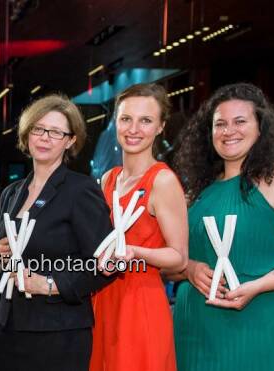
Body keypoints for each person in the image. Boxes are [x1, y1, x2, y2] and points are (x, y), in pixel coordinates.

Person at [170, 83, 274, 371]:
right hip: (197, 331)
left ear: (261, 128)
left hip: (269, 325)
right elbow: (168, 262)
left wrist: (260, 285)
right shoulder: (195, 191)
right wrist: (190, 269)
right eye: (220, 124)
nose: (229, 131)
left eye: (240, 121)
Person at [0, 94, 113, 371]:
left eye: (56, 132)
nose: (45, 138)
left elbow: (105, 264)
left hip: (60, 332)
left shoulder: (81, 190)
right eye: (39, 129)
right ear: (27, 133)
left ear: (70, 141)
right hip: (8, 326)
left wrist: (49, 284)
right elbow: (5, 261)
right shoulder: (11, 193)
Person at [89, 84, 187, 371]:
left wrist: (133, 252)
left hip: (140, 300)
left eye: (145, 120)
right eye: (126, 119)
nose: (134, 129)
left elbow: (179, 257)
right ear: (116, 123)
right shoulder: (109, 178)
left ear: (160, 127)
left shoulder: (163, 181)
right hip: (102, 297)